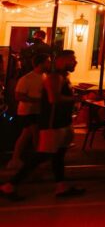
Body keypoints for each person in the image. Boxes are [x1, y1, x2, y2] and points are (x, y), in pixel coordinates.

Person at [2, 51, 85, 201]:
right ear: (62, 60)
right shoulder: (54, 77)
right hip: (52, 124)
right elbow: (54, 98)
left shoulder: (62, 76)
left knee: (58, 155)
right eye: (73, 59)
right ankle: (9, 185)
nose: (76, 62)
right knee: (41, 155)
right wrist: (77, 98)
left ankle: (61, 186)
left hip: (61, 122)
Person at [6, 53, 51, 170]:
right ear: (40, 63)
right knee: (35, 135)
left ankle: (16, 159)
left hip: (36, 111)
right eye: (48, 61)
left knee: (26, 135)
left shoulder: (45, 76)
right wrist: (37, 100)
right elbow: (18, 96)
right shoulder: (26, 78)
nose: (50, 64)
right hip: (28, 111)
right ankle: (36, 161)